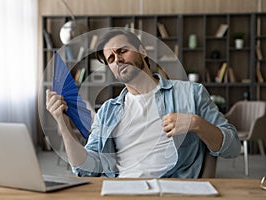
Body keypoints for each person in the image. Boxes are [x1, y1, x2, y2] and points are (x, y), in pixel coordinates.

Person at [46, 29, 241, 178]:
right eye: (111, 58)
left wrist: (196, 124)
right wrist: (63, 123)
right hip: (121, 190)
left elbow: (232, 147)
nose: (118, 60)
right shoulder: (107, 111)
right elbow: (85, 168)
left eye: (122, 51)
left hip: (171, 189)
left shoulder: (190, 93)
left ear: (142, 51)